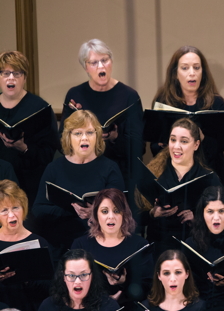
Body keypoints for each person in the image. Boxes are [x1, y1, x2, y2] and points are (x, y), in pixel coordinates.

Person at [32, 110, 125, 263]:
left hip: (99, 243)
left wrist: (95, 212)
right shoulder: (54, 168)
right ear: (69, 137)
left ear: (97, 136)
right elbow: (38, 208)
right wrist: (69, 210)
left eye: (90, 132)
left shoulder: (109, 168)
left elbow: (121, 209)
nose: (84, 138)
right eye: (77, 133)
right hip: (60, 243)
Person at [61, 39, 143, 198]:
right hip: (82, 170)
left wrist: (115, 139)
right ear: (85, 67)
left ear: (111, 61)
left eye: (105, 60)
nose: (101, 66)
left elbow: (138, 147)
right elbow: (62, 138)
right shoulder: (75, 95)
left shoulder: (129, 96)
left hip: (119, 172)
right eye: (94, 63)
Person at [136, 118, 220, 256]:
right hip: (159, 246)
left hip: (194, 247)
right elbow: (132, 217)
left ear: (196, 145)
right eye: (173, 140)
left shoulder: (209, 178)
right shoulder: (154, 173)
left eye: (184, 141)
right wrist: (152, 213)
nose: (176, 146)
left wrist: (198, 219)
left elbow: (222, 218)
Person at [152, 46, 224, 184]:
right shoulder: (163, 101)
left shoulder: (216, 103)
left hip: (211, 172)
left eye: (196, 68)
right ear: (175, 74)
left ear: (203, 72)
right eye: (185, 68)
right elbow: (154, 146)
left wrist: (201, 137)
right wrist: (166, 144)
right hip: (173, 174)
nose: (192, 73)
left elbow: (221, 145)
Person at [71, 188, 152, 304]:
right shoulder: (81, 245)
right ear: (96, 214)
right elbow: (71, 283)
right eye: (104, 211)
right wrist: (103, 300)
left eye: (116, 211)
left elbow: (148, 288)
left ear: (124, 214)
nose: (111, 216)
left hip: (128, 308)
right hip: (91, 308)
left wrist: (124, 284)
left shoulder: (140, 245)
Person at [0, 51, 59, 207]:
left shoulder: (40, 109)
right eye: (5, 73)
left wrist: (24, 148)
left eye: (16, 73)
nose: (11, 78)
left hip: (30, 184)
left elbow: (49, 154)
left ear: (24, 78)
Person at [0, 180, 52, 311]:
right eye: (4, 210)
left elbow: (51, 288)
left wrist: (28, 276)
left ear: (23, 209)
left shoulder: (40, 242)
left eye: (15, 207)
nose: (11, 214)